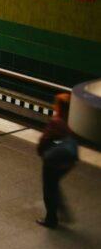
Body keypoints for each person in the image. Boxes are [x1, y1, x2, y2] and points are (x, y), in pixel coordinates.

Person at [36, 93, 78, 228]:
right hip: (68, 161)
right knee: (54, 185)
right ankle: (62, 210)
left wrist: (41, 151)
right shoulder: (73, 122)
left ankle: (51, 219)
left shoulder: (56, 121)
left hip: (53, 160)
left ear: (58, 106)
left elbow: (45, 140)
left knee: (49, 188)